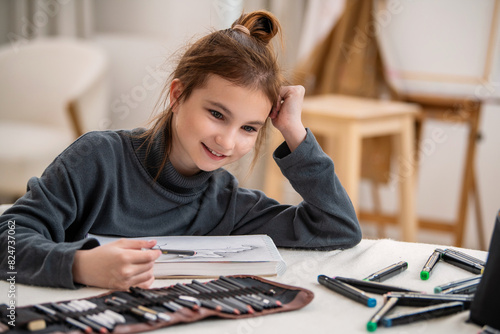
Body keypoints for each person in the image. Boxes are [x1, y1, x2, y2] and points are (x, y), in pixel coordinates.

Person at [0, 10, 361, 290]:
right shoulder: (98, 159)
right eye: (217, 114)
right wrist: (81, 264)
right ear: (177, 96)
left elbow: (338, 227)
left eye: (249, 128)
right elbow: (8, 241)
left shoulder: (228, 204)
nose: (227, 140)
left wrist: (294, 131)